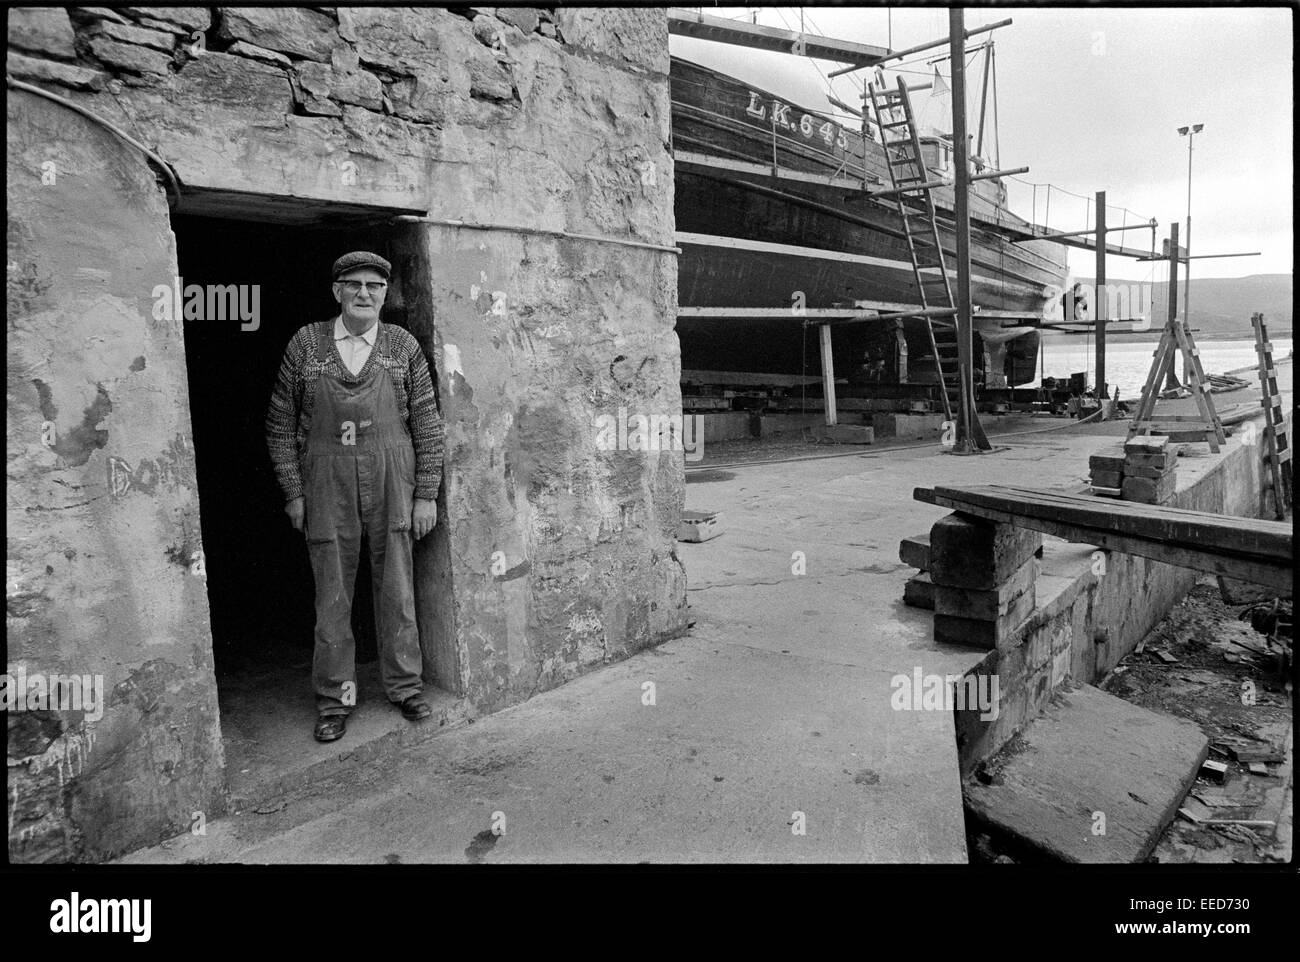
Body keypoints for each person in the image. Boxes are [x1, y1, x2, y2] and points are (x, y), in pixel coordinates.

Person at [265, 251, 444, 742]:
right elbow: (280, 424)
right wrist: (293, 492)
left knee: (398, 587)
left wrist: (426, 493)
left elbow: (427, 423)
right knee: (333, 595)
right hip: (326, 481)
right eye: (353, 284)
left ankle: (406, 687)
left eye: (374, 286)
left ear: (385, 293)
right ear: (336, 291)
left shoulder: (402, 345)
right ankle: (335, 700)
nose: (364, 293)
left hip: (392, 477)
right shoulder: (306, 344)